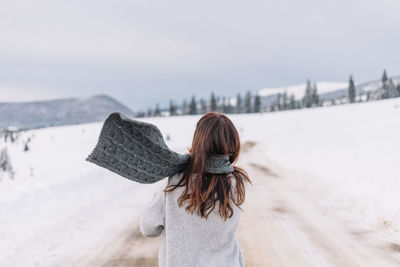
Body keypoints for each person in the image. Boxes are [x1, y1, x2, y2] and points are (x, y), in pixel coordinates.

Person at [139, 112, 251, 267]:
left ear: (198, 142)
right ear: (232, 144)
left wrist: (182, 166)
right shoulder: (239, 182)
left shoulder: (176, 182)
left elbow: (148, 228)